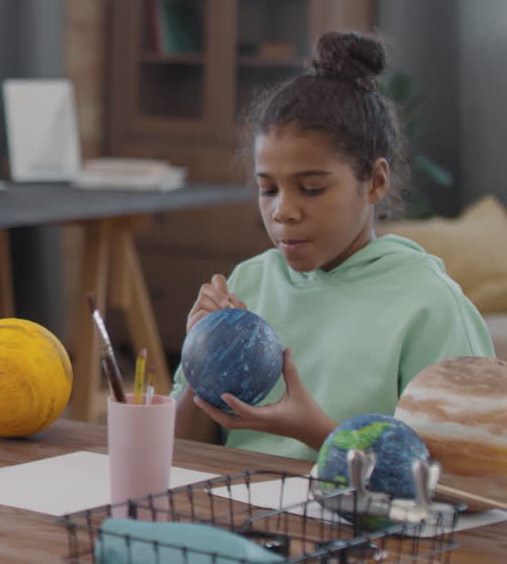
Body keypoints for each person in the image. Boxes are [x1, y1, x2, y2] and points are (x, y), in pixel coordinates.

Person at [172, 31, 495, 462]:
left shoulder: (427, 304)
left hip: (363, 524)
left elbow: (465, 477)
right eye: (268, 190)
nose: (283, 211)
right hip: (236, 510)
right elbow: (178, 452)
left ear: (376, 182)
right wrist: (202, 363)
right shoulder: (249, 282)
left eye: (311, 188)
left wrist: (318, 433)